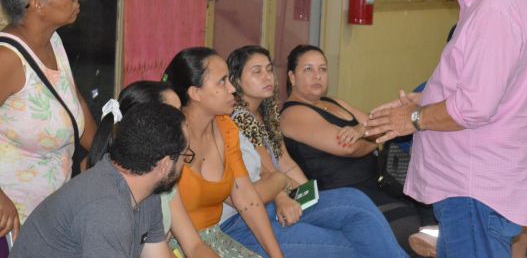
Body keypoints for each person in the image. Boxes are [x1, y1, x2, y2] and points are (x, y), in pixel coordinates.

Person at [365, 0, 527, 257]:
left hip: (474, 188)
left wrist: (414, 118)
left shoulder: (495, 10)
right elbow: (484, 83)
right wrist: (425, 97)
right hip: (474, 185)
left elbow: (475, 106)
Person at [222, 45, 407, 257]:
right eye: (257, 71)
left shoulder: (267, 115)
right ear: (235, 80)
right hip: (257, 211)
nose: (267, 77)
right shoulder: (239, 117)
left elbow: (286, 164)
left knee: (356, 205)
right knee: (355, 235)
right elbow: (268, 172)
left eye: (269, 69)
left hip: (277, 198)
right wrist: (284, 198)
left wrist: (311, 198)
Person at [279, 44, 421, 254]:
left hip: (375, 186)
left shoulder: (332, 101)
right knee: (407, 226)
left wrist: (362, 129)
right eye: (308, 69)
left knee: (425, 214)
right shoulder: (292, 114)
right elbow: (349, 148)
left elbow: (378, 123)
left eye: (323, 69)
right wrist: (374, 136)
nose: (317, 76)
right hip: (342, 195)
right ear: (292, 77)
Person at [10, 102, 188, 257]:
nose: (185, 162)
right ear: (164, 165)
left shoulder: (147, 194)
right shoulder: (106, 209)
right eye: (184, 155)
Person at [0, 0, 96, 241]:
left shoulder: (53, 41)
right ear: (36, 4)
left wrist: (112, 153)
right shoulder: (7, 58)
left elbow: (74, 107)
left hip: (52, 214)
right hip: (14, 222)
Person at [163, 47, 283, 258]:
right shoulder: (168, 137)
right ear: (195, 93)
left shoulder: (226, 127)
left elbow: (246, 197)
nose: (232, 89)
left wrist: (276, 255)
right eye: (222, 81)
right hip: (172, 246)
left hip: (214, 239)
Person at [87, 80, 221, 258]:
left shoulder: (162, 175)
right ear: (146, 124)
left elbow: (194, 245)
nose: (183, 120)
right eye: (174, 113)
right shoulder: (111, 190)